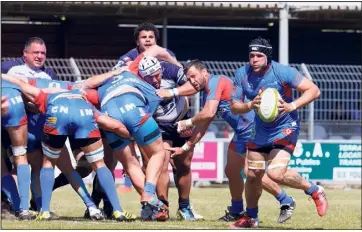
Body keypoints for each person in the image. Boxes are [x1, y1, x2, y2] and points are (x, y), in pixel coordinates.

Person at [167, 59, 296, 224]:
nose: (192, 81)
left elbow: (207, 114)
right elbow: (204, 124)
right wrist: (185, 147)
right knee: (232, 170)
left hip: (253, 129)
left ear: (204, 72)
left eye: (193, 76)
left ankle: (285, 200)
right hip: (241, 133)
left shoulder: (216, 81)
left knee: (254, 174)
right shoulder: (208, 92)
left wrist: (186, 123)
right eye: (189, 79)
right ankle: (236, 210)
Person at [229, 37, 327, 228]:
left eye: (259, 55)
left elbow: (314, 91)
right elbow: (234, 107)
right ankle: (251, 217)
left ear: (267, 57)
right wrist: (249, 104)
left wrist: (292, 105)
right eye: (251, 55)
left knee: (275, 173)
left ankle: (314, 190)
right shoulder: (242, 74)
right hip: (260, 129)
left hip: (285, 127)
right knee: (252, 174)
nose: (254, 59)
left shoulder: (282, 72)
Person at [136, 55, 203, 221]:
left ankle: (184, 207)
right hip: (159, 125)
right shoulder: (137, 82)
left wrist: (171, 92)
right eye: (149, 77)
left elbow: (194, 86)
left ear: (161, 69)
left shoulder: (170, 69)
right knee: (162, 163)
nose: (155, 79)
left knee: (184, 164)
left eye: (157, 75)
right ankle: (162, 206)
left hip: (182, 120)